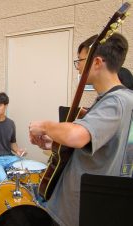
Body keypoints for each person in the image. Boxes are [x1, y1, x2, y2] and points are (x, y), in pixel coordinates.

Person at [29, 32, 132, 226]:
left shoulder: (116, 102)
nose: (78, 66)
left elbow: (77, 136)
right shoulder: (116, 99)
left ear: (97, 62)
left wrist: (45, 125)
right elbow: (99, 148)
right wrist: (54, 143)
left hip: (78, 212)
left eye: (80, 60)